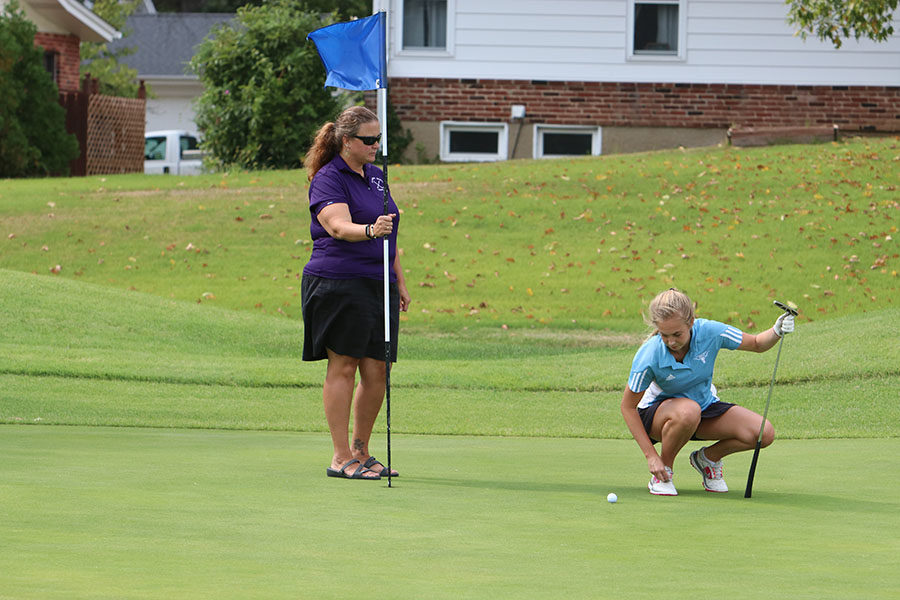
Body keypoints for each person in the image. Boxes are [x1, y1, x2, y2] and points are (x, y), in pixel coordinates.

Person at [301, 106, 410, 480]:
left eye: (379, 138)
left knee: (378, 368)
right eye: (368, 140)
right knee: (344, 364)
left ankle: (362, 451)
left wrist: (399, 281)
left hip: (378, 283)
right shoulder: (328, 178)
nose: (376, 145)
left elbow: (391, 236)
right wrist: (368, 231)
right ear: (346, 141)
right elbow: (336, 225)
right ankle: (339, 455)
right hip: (338, 282)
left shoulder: (378, 177)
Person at [620, 288, 794, 495]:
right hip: (657, 416)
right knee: (688, 411)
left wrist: (776, 330)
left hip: (702, 408)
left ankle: (707, 459)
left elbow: (756, 344)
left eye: (677, 334)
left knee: (762, 433)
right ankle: (663, 473)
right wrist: (651, 456)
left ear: (691, 321)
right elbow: (628, 407)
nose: (671, 342)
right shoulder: (649, 355)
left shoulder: (711, 331)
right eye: (664, 335)